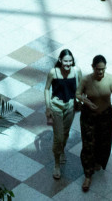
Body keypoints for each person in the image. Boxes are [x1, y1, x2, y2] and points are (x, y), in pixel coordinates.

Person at [76, 55, 112, 192]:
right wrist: (87, 101)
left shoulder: (111, 79)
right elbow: (78, 94)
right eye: (98, 69)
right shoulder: (86, 80)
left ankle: (98, 161)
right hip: (89, 116)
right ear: (93, 67)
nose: (100, 72)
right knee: (88, 144)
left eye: (103, 69)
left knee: (104, 142)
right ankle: (87, 175)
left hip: (105, 116)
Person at [44, 49, 82, 179]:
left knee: (65, 133)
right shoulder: (53, 72)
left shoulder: (76, 71)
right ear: (60, 60)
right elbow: (47, 89)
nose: (68, 64)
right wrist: (48, 107)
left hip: (70, 106)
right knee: (58, 137)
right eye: (66, 61)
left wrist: (80, 101)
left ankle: (61, 151)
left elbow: (81, 88)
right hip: (56, 106)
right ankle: (56, 164)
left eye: (70, 61)